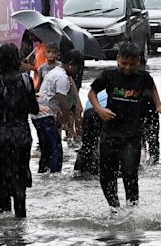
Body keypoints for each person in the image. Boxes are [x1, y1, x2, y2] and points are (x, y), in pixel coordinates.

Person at [89, 43, 161, 209]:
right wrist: (99, 110)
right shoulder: (109, 75)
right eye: (124, 63)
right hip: (110, 133)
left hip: (132, 135)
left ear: (138, 61)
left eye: (132, 64)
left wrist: (158, 105)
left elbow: (152, 88)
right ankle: (114, 209)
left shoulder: (143, 77)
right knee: (107, 175)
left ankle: (132, 211)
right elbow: (91, 92)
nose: (127, 67)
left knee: (130, 173)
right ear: (117, 60)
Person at [0, 43, 41, 217]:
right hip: (23, 134)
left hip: (3, 135)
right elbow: (34, 109)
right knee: (20, 175)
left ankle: (5, 219)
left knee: (3, 176)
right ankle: (20, 216)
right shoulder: (26, 80)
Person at [31, 49, 83, 173]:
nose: (77, 71)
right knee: (56, 150)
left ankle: (44, 174)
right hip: (45, 115)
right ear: (71, 64)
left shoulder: (55, 72)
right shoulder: (62, 77)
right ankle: (55, 177)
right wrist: (66, 120)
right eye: (77, 68)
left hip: (37, 114)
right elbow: (61, 100)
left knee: (46, 149)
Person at [73, 91, 107, 176]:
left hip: (88, 113)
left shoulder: (100, 90)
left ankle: (78, 171)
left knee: (87, 145)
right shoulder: (122, 90)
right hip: (104, 111)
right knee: (108, 144)